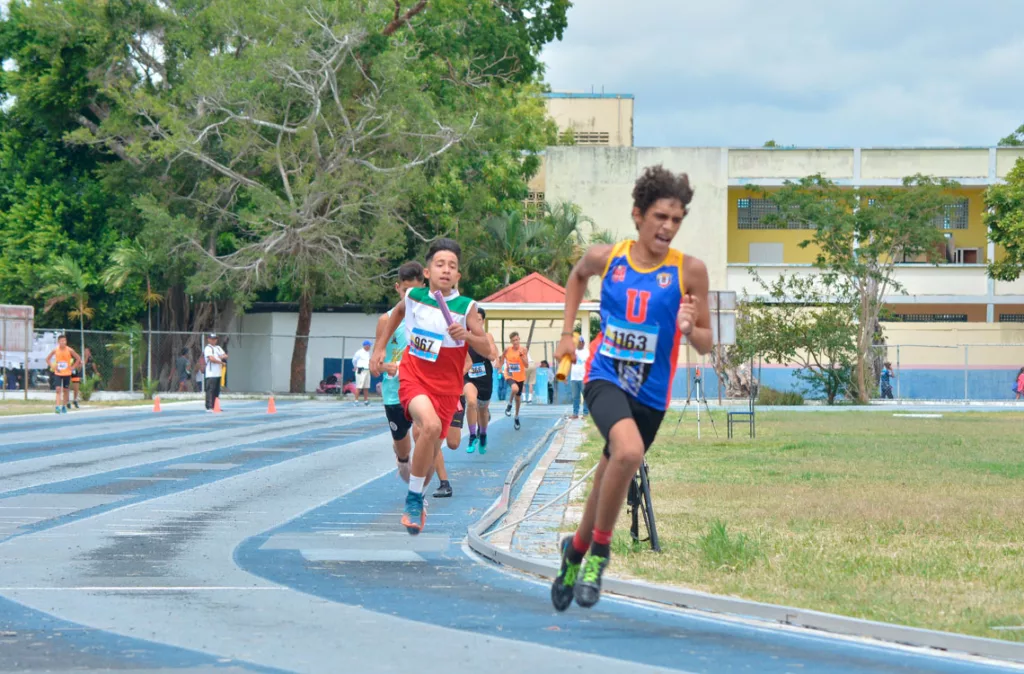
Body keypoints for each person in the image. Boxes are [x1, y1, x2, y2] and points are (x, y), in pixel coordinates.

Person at [550, 165, 712, 611]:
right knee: (626, 453)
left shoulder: (691, 271)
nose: (668, 228)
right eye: (661, 217)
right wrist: (567, 332)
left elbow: (706, 341)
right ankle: (601, 553)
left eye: (677, 220)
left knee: (608, 476)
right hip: (605, 375)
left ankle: (574, 552)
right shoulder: (610, 257)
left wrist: (687, 328)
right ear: (638, 215)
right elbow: (578, 276)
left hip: (651, 395)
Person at [370, 238, 491, 535]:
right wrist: (379, 348)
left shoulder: (467, 307)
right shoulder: (414, 297)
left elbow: (487, 348)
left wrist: (467, 335)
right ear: (427, 272)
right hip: (413, 377)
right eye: (440, 265)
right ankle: (413, 499)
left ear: (459, 275)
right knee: (431, 426)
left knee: (432, 449)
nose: (446, 270)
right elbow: (396, 314)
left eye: (452, 266)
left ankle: (418, 493)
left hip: (447, 388)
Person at [376, 261, 426, 484]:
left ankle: (418, 493)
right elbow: (374, 364)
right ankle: (403, 458)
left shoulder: (429, 318)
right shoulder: (386, 320)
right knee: (404, 452)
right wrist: (387, 366)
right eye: (406, 291)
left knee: (423, 433)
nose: (411, 296)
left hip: (420, 389)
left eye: (416, 291)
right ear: (398, 288)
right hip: (394, 393)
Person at [464, 307, 498, 454]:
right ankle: (472, 435)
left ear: (483, 322)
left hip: (485, 378)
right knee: (471, 402)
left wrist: (479, 343)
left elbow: (492, 356)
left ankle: (482, 433)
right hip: (469, 377)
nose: (475, 323)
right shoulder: (464, 335)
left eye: (478, 320)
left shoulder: (487, 336)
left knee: (483, 410)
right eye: (473, 320)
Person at [499, 332, 529, 430]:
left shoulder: (523, 350)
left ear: (519, 339)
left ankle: (516, 416)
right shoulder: (507, 349)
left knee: (518, 398)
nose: (515, 342)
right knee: (514, 389)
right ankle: (509, 404)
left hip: (520, 376)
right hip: (509, 374)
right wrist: (500, 367)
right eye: (513, 340)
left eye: (517, 340)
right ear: (511, 341)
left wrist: (522, 356)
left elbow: (526, 365)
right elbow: (502, 357)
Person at [45, 334, 81, 414]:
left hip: (67, 373)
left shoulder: (69, 350)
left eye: (64, 341)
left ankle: (64, 406)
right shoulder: (55, 350)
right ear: (58, 342)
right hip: (58, 373)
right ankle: (57, 406)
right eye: (61, 341)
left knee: (65, 390)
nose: (63, 343)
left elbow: (78, 358)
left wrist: (73, 367)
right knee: (58, 389)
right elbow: (47, 359)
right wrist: (53, 367)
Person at [203, 333, 227, 411]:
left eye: (215, 339)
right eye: (212, 339)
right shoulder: (208, 348)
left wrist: (219, 357)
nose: (214, 341)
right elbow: (211, 359)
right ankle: (209, 406)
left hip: (218, 373)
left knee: (216, 390)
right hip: (211, 373)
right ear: (209, 339)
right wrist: (220, 361)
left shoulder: (218, 348)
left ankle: (215, 405)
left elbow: (225, 356)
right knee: (210, 390)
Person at [570, 335, 590, 418]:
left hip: (583, 378)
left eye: (580, 342)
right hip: (574, 378)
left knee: (585, 396)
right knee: (575, 397)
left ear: (583, 343)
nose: (579, 344)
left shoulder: (587, 352)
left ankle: (585, 413)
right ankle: (575, 413)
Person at [353, 340, 372, 406]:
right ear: (366, 346)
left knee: (366, 387)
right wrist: (355, 366)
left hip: (367, 370)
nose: (370, 347)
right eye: (369, 345)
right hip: (360, 370)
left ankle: (366, 401)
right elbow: (354, 360)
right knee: (359, 386)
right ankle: (356, 401)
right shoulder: (359, 352)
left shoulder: (368, 353)